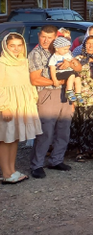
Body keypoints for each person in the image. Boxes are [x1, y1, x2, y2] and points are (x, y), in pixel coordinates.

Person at [29, 25, 79, 179]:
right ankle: (36, 164)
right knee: (46, 131)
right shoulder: (36, 54)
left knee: (64, 129)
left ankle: (56, 160)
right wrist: (59, 81)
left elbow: (78, 67)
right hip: (48, 93)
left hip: (65, 93)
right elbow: (35, 79)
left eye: (49, 37)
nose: (45, 40)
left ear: (55, 38)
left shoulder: (63, 51)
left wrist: (71, 64)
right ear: (39, 36)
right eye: (43, 36)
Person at [0, 33, 41, 184]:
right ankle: (6, 173)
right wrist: (3, 106)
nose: (16, 49)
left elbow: (28, 83)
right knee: (5, 139)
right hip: (8, 105)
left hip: (22, 104)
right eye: (12, 46)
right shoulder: (2, 63)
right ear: (6, 46)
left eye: (19, 45)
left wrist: (32, 99)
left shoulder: (24, 61)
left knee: (15, 137)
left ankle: (12, 169)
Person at [68, 35, 93, 162]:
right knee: (81, 123)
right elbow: (71, 77)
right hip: (81, 96)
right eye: (88, 43)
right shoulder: (77, 59)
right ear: (84, 44)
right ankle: (80, 151)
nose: (90, 46)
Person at [48, 37, 83, 104]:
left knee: (78, 78)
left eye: (67, 49)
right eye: (64, 49)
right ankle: (69, 91)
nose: (67, 51)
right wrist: (55, 80)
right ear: (57, 48)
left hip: (68, 72)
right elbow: (52, 69)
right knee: (72, 75)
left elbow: (72, 60)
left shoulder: (67, 54)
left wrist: (75, 62)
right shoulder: (54, 57)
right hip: (60, 73)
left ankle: (78, 93)